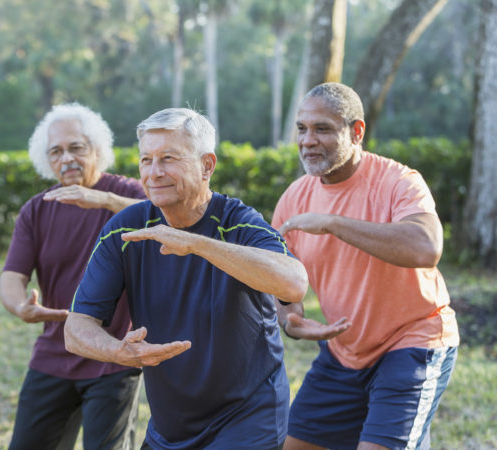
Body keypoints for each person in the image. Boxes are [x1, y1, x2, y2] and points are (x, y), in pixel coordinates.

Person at [64, 107, 309, 450]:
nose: (154, 172)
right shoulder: (125, 229)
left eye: (168, 158)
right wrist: (119, 352)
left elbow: (294, 283)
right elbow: (75, 330)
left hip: (248, 416)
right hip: (170, 425)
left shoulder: (238, 222)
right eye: (146, 159)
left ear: (207, 165)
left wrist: (196, 244)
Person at [272, 82, 460, 450]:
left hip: (413, 341)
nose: (307, 140)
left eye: (322, 128)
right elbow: (280, 274)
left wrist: (333, 222)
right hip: (343, 351)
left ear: (356, 132)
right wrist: (291, 319)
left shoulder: (399, 182)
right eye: (302, 129)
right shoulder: (294, 199)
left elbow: (426, 247)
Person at [0, 102, 147, 450]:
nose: (66, 159)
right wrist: (20, 306)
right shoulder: (37, 209)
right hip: (55, 351)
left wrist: (102, 200)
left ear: (97, 149)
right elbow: (11, 276)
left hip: (114, 354)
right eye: (56, 151)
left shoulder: (126, 194)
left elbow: (159, 216)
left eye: (76, 148)